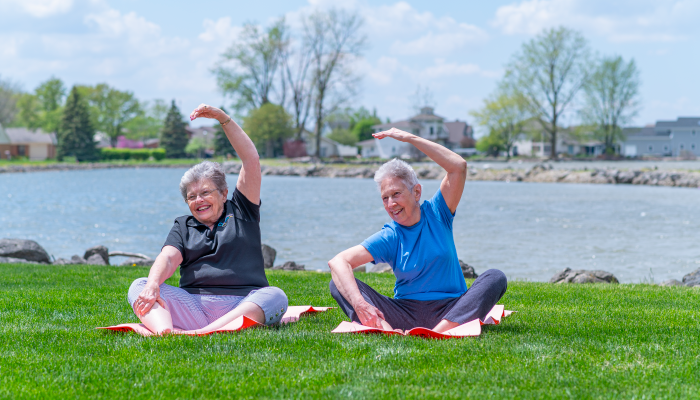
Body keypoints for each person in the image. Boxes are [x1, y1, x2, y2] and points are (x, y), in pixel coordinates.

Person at [127, 104, 287, 335]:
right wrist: (153, 285)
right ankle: (166, 333)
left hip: (243, 304)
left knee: (275, 296)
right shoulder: (184, 225)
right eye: (191, 197)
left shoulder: (242, 209)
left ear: (223, 193)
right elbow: (169, 259)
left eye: (205, 193)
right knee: (140, 285)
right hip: (193, 307)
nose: (198, 200)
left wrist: (223, 119)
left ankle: (197, 333)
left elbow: (251, 160)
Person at [328, 127, 507, 333]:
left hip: (452, 310)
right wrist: (360, 303)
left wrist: (409, 138)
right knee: (340, 284)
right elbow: (338, 262)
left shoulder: (438, 212)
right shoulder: (391, 235)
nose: (391, 203)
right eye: (385, 198)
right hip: (403, 313)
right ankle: (387, 331)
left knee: (495, 277)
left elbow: (458, 166)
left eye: (396, 194)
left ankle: (438, 332)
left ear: (416, 192)